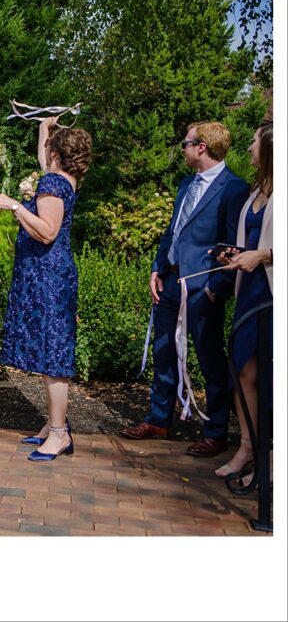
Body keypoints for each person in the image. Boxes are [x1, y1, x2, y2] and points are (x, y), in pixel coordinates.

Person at [120, 121, 249, 456]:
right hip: (170, 282)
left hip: (202, 288)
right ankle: (159, 419)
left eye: (186, 144)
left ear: (202, 147)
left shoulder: (234, 189)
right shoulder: (185, 185)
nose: (183, 149)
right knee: (164, 352)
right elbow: (172, 232)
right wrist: (156, 269)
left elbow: (236, 244)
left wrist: (214, 289)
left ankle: (216, 431)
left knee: (209, 359)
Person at [0, 118, 93, 462]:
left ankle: (58, 433)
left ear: (56, 154)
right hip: (53, 274)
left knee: (52, 353)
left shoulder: (52, 182)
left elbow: (47, 231)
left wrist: (15, 206)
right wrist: (44, 128)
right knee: (48, 349)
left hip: (46, 277)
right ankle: (53, 423)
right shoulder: (65, 179)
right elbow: (44, 162)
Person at [213, 118, 273, 479]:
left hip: (272, 293)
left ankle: (271, 462)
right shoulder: (255, 192)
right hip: (249, 290)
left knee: (271, 375)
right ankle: (248, 448)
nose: (249, 147)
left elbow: (266, 248)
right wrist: (234, 255)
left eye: (254, 141)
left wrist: (264, 255)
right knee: (244, 370)